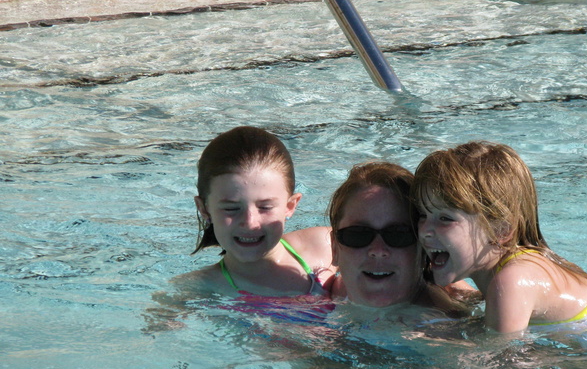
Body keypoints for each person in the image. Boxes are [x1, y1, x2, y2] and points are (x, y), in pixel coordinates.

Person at [412, 140, 587, 334]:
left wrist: (427, 338)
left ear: (501, 231)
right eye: (423, 214)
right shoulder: (512, 271)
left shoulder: (512, 281)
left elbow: (499, 364)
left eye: (445, 219)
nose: (425, 230)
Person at [172, 125, 334, 299]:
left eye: (265, 207)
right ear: (204, 209)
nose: (250, 222)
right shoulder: (197, 289)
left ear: (290, 206)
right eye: (231, 209)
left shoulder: (326, 246)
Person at [327, 161, 470, 317]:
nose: (378, 251)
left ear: (424, 249)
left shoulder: (446, 329)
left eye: (398, 234)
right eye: (358, 234)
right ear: (334, 248)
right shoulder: (321, 290)